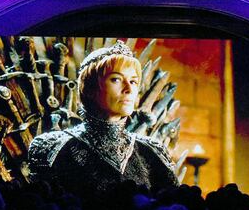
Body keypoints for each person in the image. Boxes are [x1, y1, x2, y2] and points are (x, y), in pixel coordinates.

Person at [28, 41, 179, 200]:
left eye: (133, 81)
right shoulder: (52, 148)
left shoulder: (151, 151)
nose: (128, 89)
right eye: (116, 79)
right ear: (90, 87)